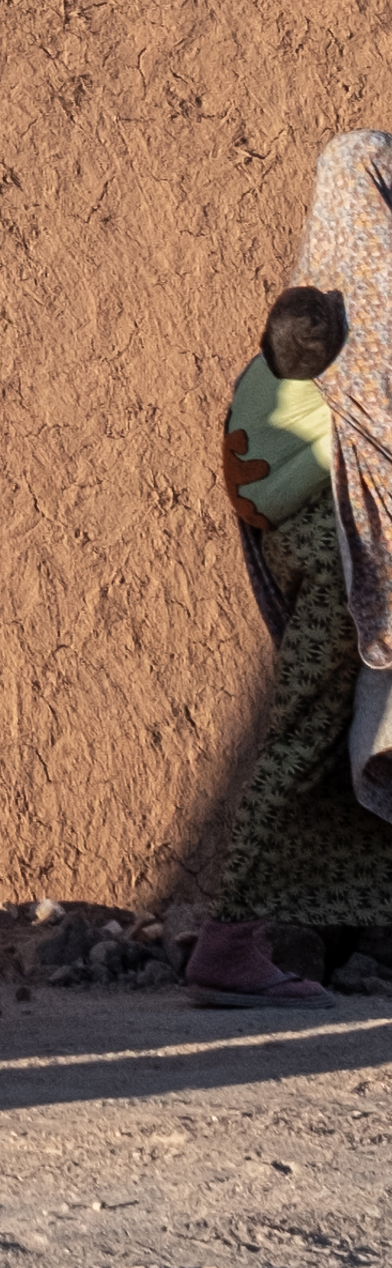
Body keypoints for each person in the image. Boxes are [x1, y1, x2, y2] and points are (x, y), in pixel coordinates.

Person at [189, 141, 392, 1006]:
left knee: (338, 738)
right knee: (306, 739)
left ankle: (342, 945)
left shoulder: (317, 302)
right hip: (351, 555)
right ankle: (231, 948)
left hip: (319, 549)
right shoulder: (374, 303)